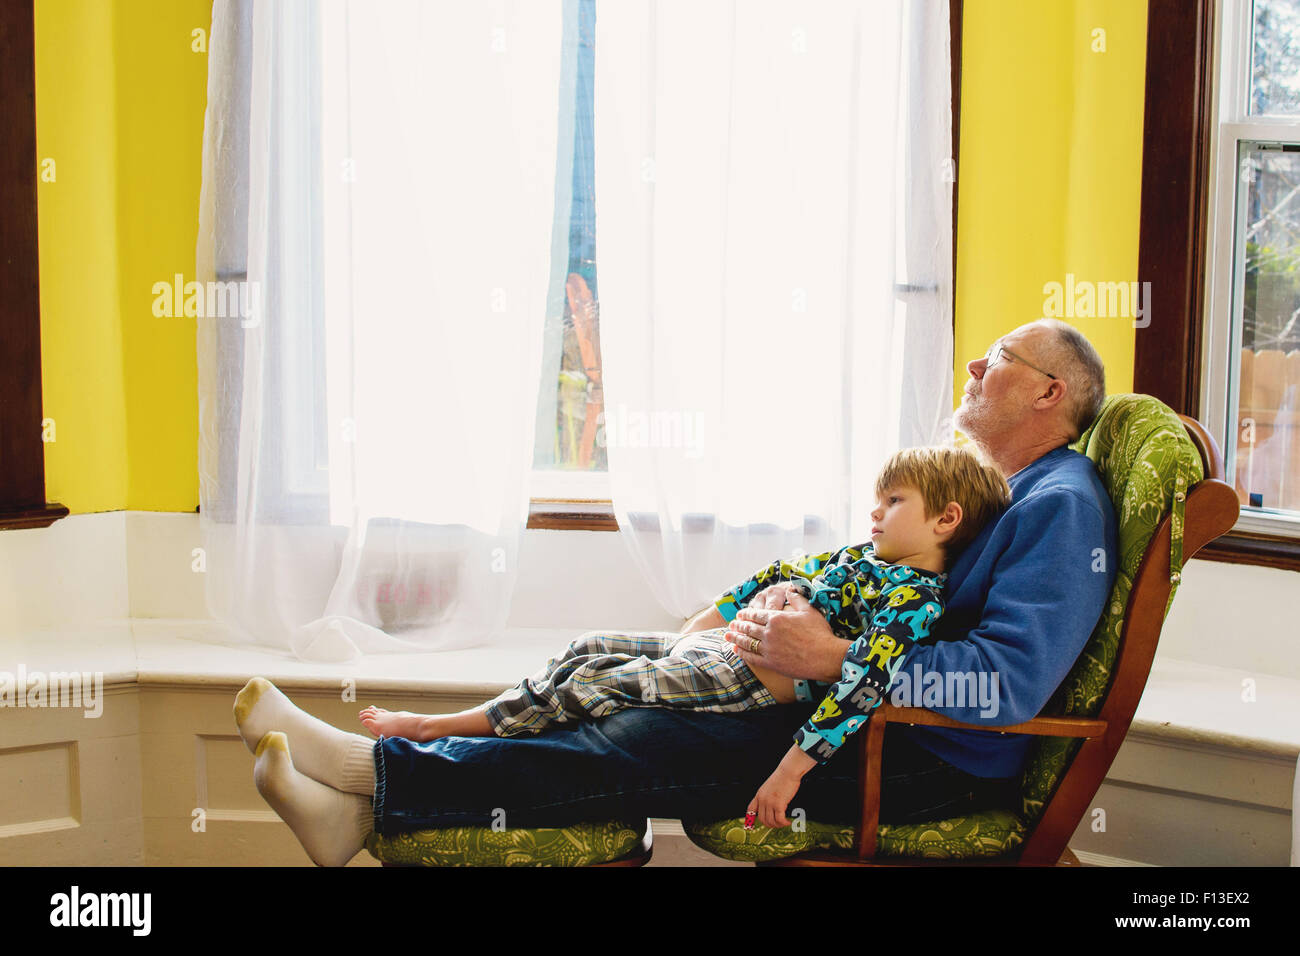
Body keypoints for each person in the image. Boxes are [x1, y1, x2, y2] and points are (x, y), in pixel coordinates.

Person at [234, 317, 1117, 867]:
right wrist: (768, 611)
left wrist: (832, 653)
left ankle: (366, 775)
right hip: (853, 709)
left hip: (924, 759)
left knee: (641, 737)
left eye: (996, 359)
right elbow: (876, 581)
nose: (972, 365)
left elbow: (1004, 687)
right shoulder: (991, 496)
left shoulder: (1062, 508)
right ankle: (363, 802)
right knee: (608, 674)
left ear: (1048, 392)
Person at [348, 444, 1009, 833]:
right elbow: (789, 571)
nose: (875, 512)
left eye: (893, 502)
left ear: (946, 519)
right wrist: (764, 603)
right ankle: (447, 737)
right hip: (724, 652)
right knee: (588, 647)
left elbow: (862, 688)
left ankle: (444, 731)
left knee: (598, 687)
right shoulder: (863, 557)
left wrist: (788, 775)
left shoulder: (913, 605)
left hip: (746, 684)